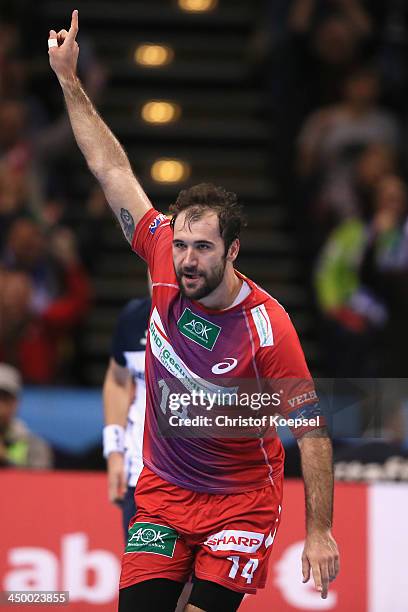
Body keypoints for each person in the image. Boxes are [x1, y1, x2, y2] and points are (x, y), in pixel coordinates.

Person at [48, 11, 339, 611]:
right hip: (161, 495)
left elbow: (311, 434)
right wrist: (69, 80)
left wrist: (318, 530)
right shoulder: (158, 255)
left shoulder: (267, 325)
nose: (185, 259)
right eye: (181, 244)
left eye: (202, 248)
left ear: (232, 251)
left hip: (241, 503)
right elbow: (110, 168)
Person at [102, 295, 151, 540]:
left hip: (204, 483)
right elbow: (118, 380)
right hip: (141, 478)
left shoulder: (219, 319)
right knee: (146, 578)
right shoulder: (133, 317)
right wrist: (114, 452)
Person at [0, 363, 53, 468]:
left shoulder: (33, 445)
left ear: (16, 403)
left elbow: (41, 481)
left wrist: (5, 459)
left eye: (5, 398)